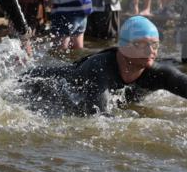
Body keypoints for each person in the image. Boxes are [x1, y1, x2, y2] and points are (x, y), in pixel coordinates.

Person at [22, 16, 186, 116]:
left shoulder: (159, 74)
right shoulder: (100, 68)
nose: (151, 51)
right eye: (142, 44)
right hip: (36, 83)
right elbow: (98, 117)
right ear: (124, 46)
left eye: (155, 45)